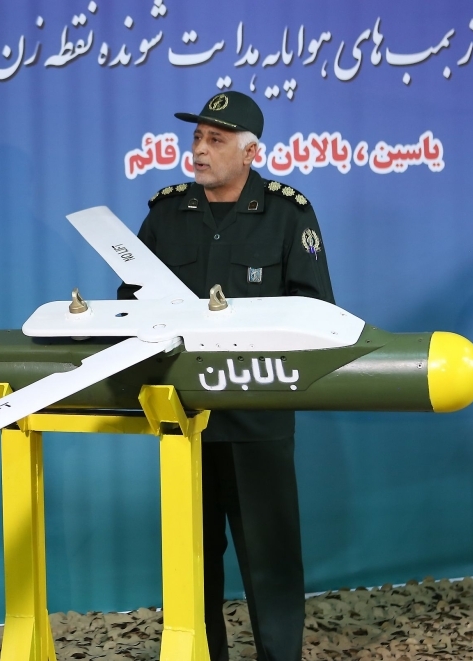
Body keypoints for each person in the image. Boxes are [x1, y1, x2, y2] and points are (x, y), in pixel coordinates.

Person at [118, 91, 334, 661]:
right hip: (184, 420)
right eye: (197, 138)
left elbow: (315, 311)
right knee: (193, 559)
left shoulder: (289, 213)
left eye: (216, 140)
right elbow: (129, 304)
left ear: (249, 151)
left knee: (272, 559)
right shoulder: (166, 213)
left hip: (257, 417)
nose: (200, 150)